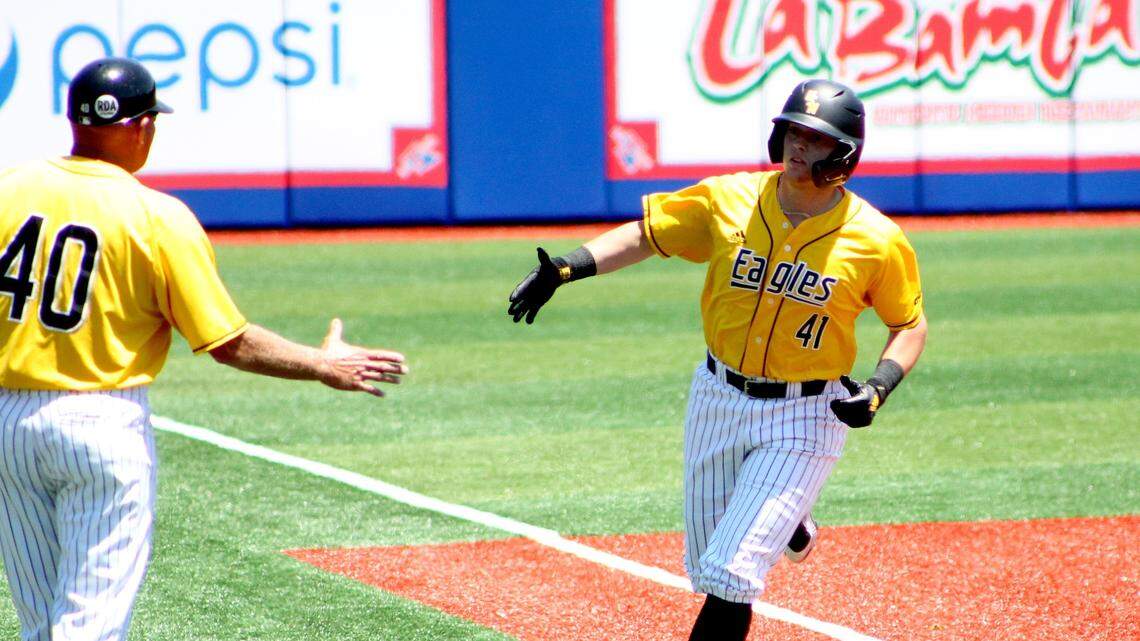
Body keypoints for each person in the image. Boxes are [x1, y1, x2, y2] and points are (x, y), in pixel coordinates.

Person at [0, 57, 408, 641]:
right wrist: (322, 364)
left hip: (10, 422)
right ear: (140, 127)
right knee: (89, 624)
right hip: (100, 426)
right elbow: (228, 342)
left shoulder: (9, 189)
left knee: (40, 623)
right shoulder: (157, 217)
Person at [507, 79, 927, 640]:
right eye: (794, 132)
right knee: (707, 568)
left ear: (844, 154)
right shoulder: (729, 198)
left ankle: (782, 508)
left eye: (817, 138)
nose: (800, 146)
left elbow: (909, 324)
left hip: (805, 414)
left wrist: (879, 385)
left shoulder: (876, 240)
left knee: (731, 574)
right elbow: (647, 234)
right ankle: (791, 522)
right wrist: (566, 267)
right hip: (717, 396)